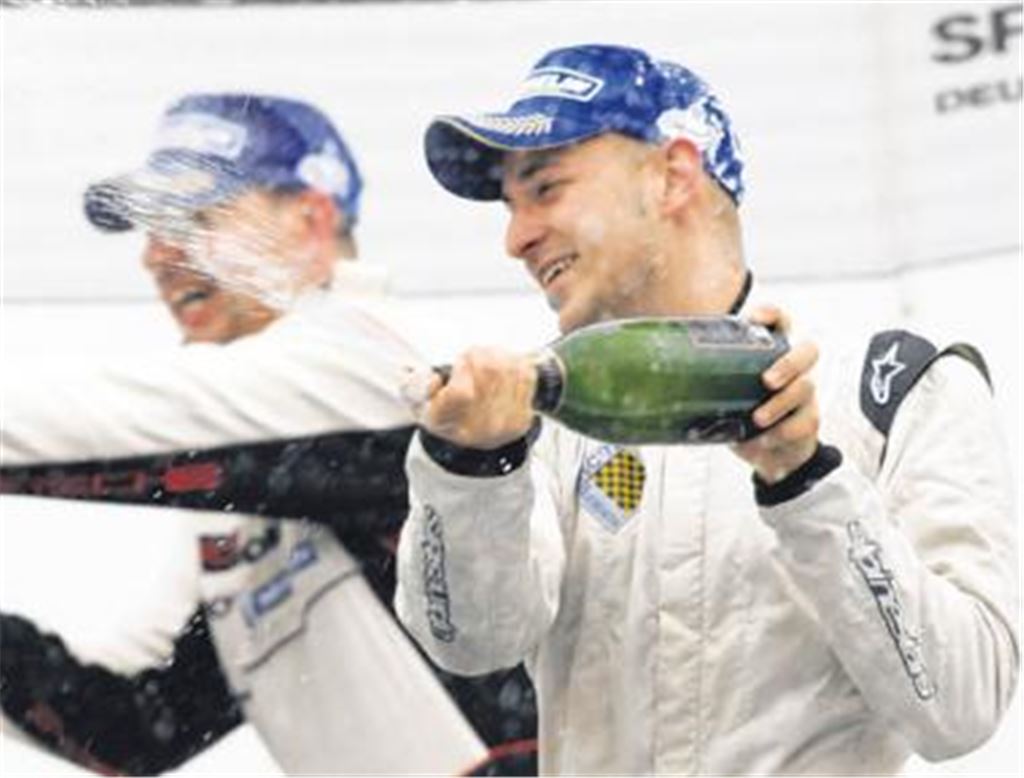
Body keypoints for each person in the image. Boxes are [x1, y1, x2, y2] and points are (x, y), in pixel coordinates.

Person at [393, 43, 1020, 775]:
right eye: (509, 206)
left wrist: (804, 481)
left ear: (673, 175)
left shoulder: (892, 382)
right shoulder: (535, 410)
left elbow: (962, 708)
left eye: (546, 188)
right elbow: (470, 643)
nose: (516, 237)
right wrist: (470, 468)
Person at [0, 94, 536, 775]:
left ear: (312, 218)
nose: (156, 255)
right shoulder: (244, 477)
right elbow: (135, 724)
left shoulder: (390, 362)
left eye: (194, 218)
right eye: (150, 231)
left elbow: (123, 416)